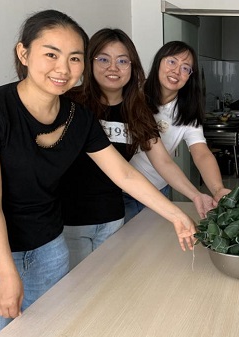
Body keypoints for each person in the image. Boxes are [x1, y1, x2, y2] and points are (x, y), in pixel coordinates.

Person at [0, 10, 196, 337]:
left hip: (48, 246)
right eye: (51, 54)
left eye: (74, 58)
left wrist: (176, 216)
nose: (63, 68)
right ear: (23, 54)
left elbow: (124, 174)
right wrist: (6, 272)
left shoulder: (79, 117)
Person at [60, 29, 215, 269]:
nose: (113, 67)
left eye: (122, 61)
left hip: (113, 214)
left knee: (119, 274)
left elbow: (162, 161)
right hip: (70, 219)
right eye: (103, 59)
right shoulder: (70, 104)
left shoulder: (136, 109)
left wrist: (196, 195)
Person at [125, 41, 230, 223]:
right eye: (172, 62)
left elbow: (201, 153)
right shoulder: (134, 97)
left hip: (159, 190)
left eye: (185, 68)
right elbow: (161, 159)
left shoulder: (187, 111)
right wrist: (195, 194)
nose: (176, 71)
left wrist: (218, 189)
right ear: (159, 62)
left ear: (190, 76)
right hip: (124, 190)